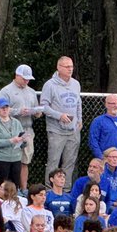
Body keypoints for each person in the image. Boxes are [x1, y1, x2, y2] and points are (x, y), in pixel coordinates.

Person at [0, 65, 43, 191]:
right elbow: (1, 109)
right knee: (10, 161)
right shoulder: (6, 91)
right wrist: (18, 111)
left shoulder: (31, 92)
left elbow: (37, 109)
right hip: (11, 130)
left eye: (28, 79)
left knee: (25, 161)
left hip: (27, 130)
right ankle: (8, 189)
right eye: (24, 78)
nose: (26, 81)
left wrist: (37, 112)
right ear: (17, 76)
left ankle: (23, 189)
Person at [41, 56, 82, 187]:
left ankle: (66, 191)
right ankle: (49, 191)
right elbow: (44, 107)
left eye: (71, 66)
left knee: (70, 163)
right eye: (67, 67)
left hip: (73, 130)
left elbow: (78, 103)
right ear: (58, 67)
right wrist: (59, 115)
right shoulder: (50, 85)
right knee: (53, 161)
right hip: (56, 131)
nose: (70, 69)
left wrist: (79, 119)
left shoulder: (76, 84)